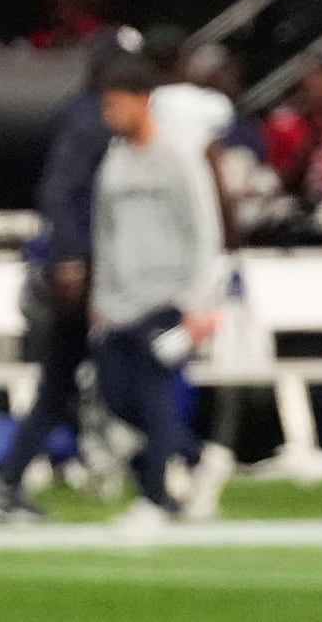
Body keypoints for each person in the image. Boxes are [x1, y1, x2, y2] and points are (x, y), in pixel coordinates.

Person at [0, 27, 141, 522]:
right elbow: (62, 191)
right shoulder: (90, 119)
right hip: (86, 268)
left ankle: (10, 483)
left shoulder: (86, 113)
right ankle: (167, 472)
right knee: (123, 371)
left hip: (92, 263)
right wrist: (72, 259)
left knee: (64, 380)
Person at [92, 56, 235, 528]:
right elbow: (105, 233)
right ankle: (197, 459)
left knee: (155, 398)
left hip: (169, 297)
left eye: (117, 104)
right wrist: (101, 297)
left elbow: (204, 226)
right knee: (117, 399)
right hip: (120, 301)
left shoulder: (178, 155)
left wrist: (199, 300)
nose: (110, 114)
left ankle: (155, 500)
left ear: (143, 102)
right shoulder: (113, 161)